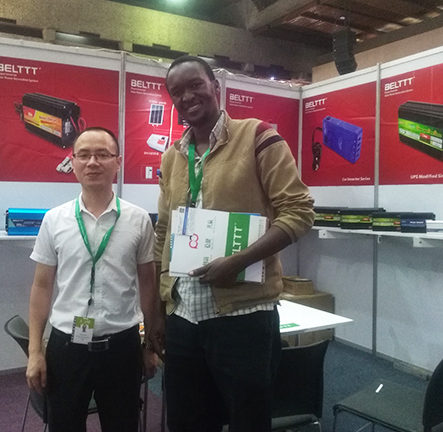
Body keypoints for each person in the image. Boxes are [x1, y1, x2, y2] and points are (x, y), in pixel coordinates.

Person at [155, 56, 315, 432]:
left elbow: (299, 212)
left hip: (243, 316)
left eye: (195, 85)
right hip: (184, 316)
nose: (187, 96)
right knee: (186, 423)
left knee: (247, 422)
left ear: (215, 86)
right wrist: (159, 309)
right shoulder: (172, 157)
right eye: (176, 91)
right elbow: (164, 232)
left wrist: (238, 261)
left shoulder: (258, 137)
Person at [26, 127, 162, 432]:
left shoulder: (138, 219)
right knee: (64, 425)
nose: (92, 162)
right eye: (84, 155)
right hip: (67, 347)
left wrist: (150, 345)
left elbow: (148, 284)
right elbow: (42, 286)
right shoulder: (55, 219)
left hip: (123, 346)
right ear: (72, 162)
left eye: (102, 155)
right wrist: (35, 352)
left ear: (118, 162)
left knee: (123, 425)